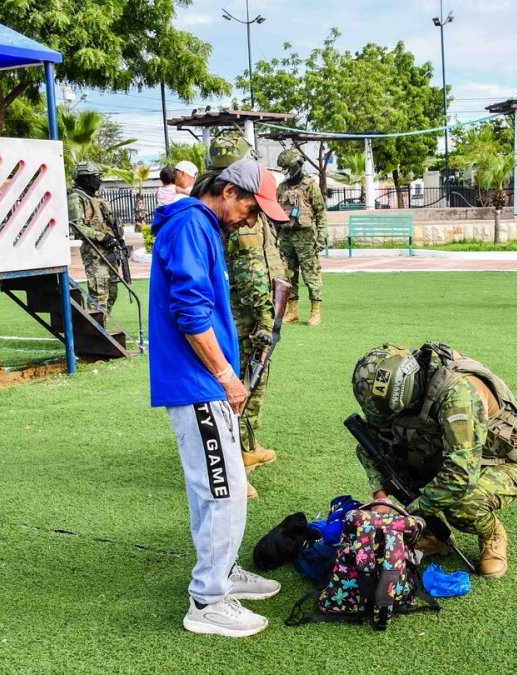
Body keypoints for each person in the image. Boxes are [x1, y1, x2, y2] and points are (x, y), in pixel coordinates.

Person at [149, 157, 291, 637]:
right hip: (197, 385)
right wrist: (227, 376)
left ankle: (224, 574)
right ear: (229, 191)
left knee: (219, 488)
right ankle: (208, 601)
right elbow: (189, 310)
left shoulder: (203, 226)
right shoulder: (192, 224)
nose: (253, 219)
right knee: (222, 492)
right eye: (253, 207)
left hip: (204, 383)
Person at [350, 342, 517, 578]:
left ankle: (492, 534)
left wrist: (411, 513)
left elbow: (460, 477)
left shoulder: (458, 396)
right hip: (449, 451)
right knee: (384, 456)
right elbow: (372, 441)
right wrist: (381, 497)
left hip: (503, 462)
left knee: (463, 505)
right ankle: (433, 535)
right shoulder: (402, 380)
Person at [209, 133, 287, 496]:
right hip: (246, 314)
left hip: (238, 312)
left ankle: (245, 448)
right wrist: (265, 322)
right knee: (245, 384)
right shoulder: (238, 216)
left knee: (247, 383)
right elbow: (252, 272)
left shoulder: (222, 208)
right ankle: (234, 459)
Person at [276, 148, 327, 326]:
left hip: (306, 237)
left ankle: (315, 311)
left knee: (311, 274)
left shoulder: (310, 186)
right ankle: (293, 311)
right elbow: (275, 212)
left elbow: (321, 213)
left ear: (297, 165)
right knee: (289, 275)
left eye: (287, 167)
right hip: (286, 237)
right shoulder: (281, 187)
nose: (286, 171)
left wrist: (321, 237)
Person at [68, 161, 124, 312]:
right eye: (96, 176)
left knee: (112, 292)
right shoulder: (77, 198)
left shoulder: (98, 199)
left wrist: (118, 239)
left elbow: (111, 222)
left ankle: (103, 324)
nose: (99, 180)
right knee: (99, 294)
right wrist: (103, 238)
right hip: (94, 252)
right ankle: (98, 330)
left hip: (109, 252)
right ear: (85, 178)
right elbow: (77, 227)